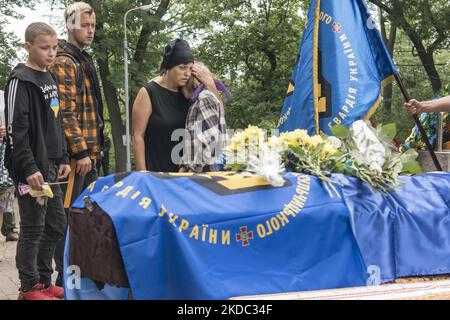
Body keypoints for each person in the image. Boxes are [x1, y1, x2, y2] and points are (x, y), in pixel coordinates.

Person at [4, 22, 71, 300]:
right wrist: (29, 167)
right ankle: (28, 287)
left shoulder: (50, 78)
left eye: (55, 47)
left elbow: (56, 123)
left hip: (52, 168)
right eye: (45, 48)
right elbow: (15, 130)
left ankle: (44, 280)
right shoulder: (21, 79)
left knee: (56, 223)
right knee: (32, 227)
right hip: (30, 170)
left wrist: (64, 155)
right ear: (28, 47)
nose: (51, 53)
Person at [49, 1, 105, 287]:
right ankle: (62, 281)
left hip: (90, 155)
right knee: (69, 220)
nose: (90, 30)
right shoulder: (65, 61)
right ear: (71, 25)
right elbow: (66, 112)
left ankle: (79, 276)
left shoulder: (83, 58)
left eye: (93, 25)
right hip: (76, 159)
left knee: (87, 220)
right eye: (85, 25)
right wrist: (81, 151)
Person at [132, 39, 218, 172]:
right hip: (157, 174)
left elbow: (218, 117)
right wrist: (143, 174)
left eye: (190, 68)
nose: (187, 73)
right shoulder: (149, 92)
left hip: (188, 175)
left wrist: (210, 84)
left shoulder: (191, 92)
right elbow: (138, 136)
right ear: (169, 67)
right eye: (182, 68)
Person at [179, 62, 231, 172]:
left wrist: (192, 169)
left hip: (207, 175)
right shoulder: (195, 103)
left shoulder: (204, 98)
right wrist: (183, 166)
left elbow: (210, 139)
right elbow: (192, 141)